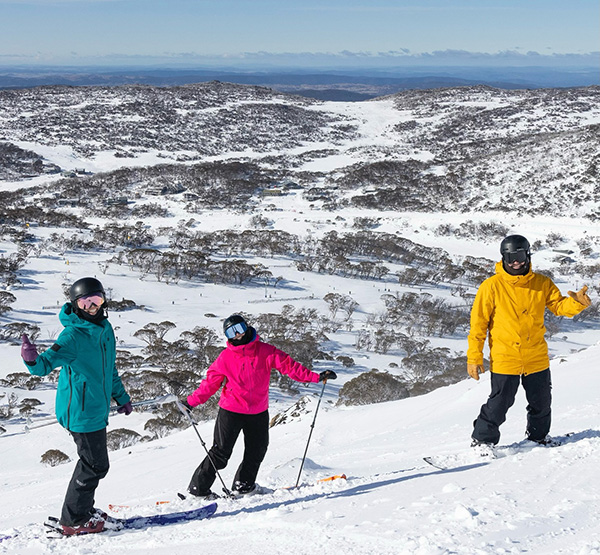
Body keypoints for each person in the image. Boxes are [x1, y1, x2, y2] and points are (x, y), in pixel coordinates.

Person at [20, 277, 133, 535]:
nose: (92, 307)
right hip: (80, 412)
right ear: (76, 305)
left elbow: (109, 370)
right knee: (95, 465)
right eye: (86, 302)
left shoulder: (104, 329)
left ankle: (81, 510)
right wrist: (31, 359)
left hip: (96, 409)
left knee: (92, 463)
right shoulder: (72, 335)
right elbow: (43, 365)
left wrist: (122, 397)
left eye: (97, 301)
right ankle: (74, 519)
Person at [181, 314, 337, 498]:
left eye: (239, 328)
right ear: (227, 336)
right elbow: (209, 384)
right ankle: (198, 490)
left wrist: (316, 377)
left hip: (258, 412)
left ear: (246, 327)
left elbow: (290, 367)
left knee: (257, 450)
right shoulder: (225, 358)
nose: (237, 334)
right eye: (232, 332)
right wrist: (190, 402)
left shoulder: (266, 351)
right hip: (231, 411)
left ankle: (244, 486)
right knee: (221, 453)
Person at [467, 234, 591, 450]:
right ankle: (482, 441)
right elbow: (478, 325)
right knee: (499, 403)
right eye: (511, 256)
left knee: (541, 402)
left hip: (536, 356)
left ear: (528, 255)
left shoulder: (541, 283)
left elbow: (559, 306)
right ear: (503, 258)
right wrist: (474, 357)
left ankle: (538, 438)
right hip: (506, 357)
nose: (516, 261)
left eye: (521, 255)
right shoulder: (491, 286)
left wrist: (576, 303)